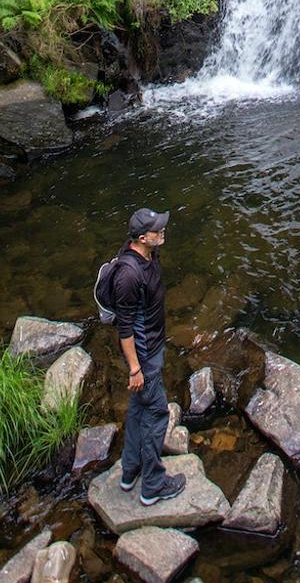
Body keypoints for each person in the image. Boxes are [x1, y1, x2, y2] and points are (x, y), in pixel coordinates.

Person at [113, 205, 186, 506]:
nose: (163, 231)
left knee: (138, 412)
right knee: (156, 414)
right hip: (144, 356)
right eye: (158, 230)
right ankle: (152, 486)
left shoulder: (149, 254)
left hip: (153, 347)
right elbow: (125, 328)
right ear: (143, 238)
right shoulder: (128, 276)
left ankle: (130, 473)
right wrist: (134, 369)